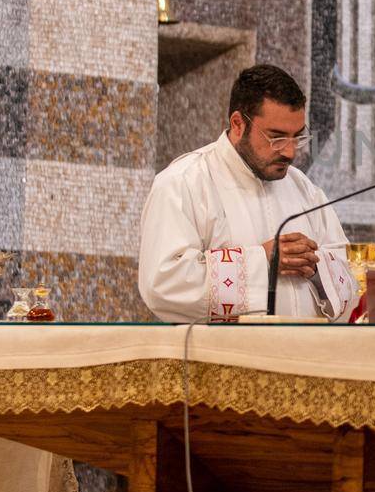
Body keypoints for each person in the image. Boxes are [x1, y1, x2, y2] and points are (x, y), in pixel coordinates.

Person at [138, 64, 360, 323]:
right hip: (221, 360)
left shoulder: (303, 188)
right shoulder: (184, 183)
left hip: (303, 356)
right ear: (238, 124)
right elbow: (163, 284)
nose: (290, 152)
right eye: (276, 138)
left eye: (297, 137)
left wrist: (314, 267)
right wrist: (263, 260)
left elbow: (351, 275)